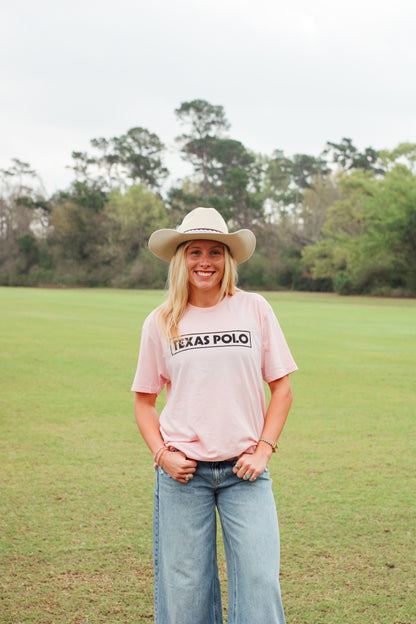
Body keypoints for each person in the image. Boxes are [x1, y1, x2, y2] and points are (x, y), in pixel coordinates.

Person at [131, 207, 297, 624]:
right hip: (183, 476)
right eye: (195, 252)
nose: (205, 262)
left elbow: (282, 389)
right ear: (180, 259)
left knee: (260, 583)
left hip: (247, 474)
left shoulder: (254, 309)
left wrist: (263, 450)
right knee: (184, 592)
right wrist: (161, 453)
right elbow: (144, 401)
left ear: (229, 259)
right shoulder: (161, 321)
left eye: (216, 252)